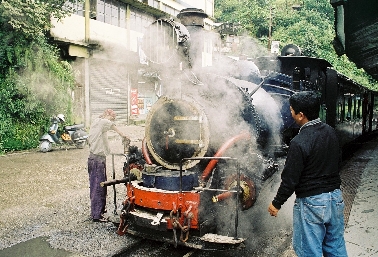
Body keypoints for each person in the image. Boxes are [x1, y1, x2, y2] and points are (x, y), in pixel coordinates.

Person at [268, 91, 348, 257]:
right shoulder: (331, 132)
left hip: (313, 203)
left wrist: (276, 203)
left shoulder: (299, 142)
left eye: (291, 111)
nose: (290, 114)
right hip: (335, 198)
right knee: (336, 248)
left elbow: (290, 179)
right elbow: (337, 162)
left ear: (301, 115)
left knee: (309, 252)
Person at [88, 109, 128, 222]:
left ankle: (99, 210)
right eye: (112, 118)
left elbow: (103, 141)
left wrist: (111, 151)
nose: (112, 120)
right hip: (97, 160)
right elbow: (111, 125)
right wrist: (123, 135)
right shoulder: (102, 122)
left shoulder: (97, 123)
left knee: (99, 185)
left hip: (95, 158)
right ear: (106, 115)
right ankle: (97, 215)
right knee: (98, 187)